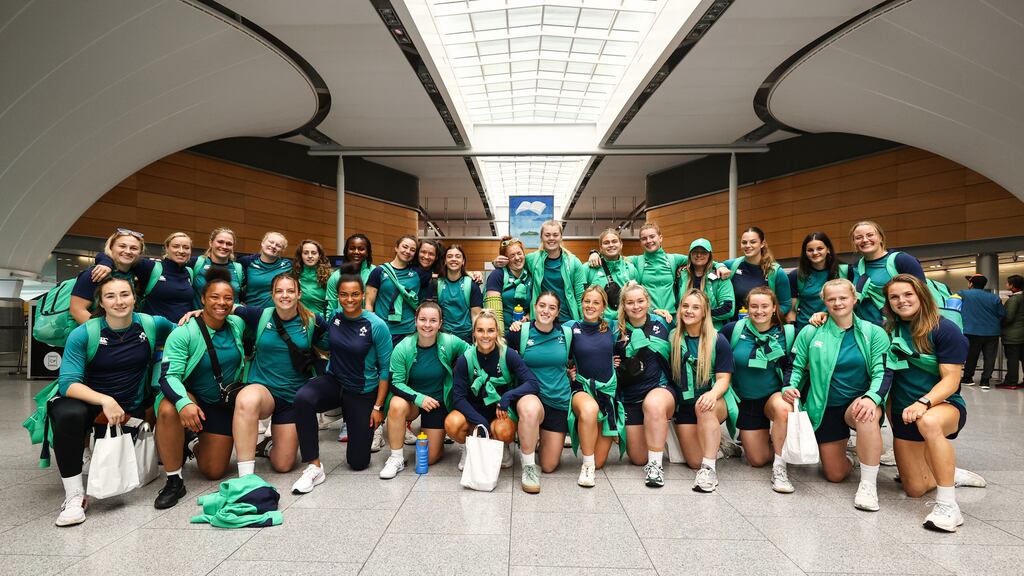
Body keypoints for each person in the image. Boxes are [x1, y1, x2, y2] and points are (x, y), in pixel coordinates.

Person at [49, 277, 175, 526]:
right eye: (111, 296)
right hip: (91, 400)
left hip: (132, 404)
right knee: (67, 414)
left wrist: (195, 314)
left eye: (125, 294)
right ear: (101, 302)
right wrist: (105, 401)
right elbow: (68, 383)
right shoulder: (84, 333)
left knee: (118, 473)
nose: (119, 301)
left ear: (134, 298)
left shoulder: (151, 324)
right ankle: (75, 496)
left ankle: (93, 451)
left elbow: (184, 329)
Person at [883, 274, 985, 532]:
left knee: (928, 422)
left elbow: (951, 380)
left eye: (907, 294)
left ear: (920, 295)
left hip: (942, 407)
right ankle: (950, 472)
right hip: (904, 413)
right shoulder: (887, 330)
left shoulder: (943, 329)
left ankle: (949, 506)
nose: (901, 300)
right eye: (894, 296)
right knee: (914, 489)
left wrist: (923, 403)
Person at [782, 279, 891, 512]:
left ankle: (868, 485)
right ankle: (851, 457)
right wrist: (788, 387)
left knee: (866, 415)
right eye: (831, 299)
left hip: (859, 403)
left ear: (855, 299)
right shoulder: (812, 331)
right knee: (834, 474)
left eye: (843, 297)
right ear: (824, 302)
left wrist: (872, 397)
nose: (838, 302)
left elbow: (883, 371)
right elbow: (796, 365)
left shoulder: (875, 333)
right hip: (826, 406)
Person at [290, 271, 391, 493]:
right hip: (335, 382)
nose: (350, 299)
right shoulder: (335, 317)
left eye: (355, 294)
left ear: (363, 294)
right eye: (344, 295)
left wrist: (377, 407)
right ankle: (314, 466)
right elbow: (322, 338)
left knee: (357, 463)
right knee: (303, 398)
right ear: (338, 296)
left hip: (362, 391)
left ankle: (367, 428)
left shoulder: (377, 325)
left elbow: (385, 370)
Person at [155, 268, 246, 509]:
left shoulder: (236, 324)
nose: (222, 302)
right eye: (214, 297)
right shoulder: (184, 332)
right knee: (168, 409)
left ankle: (192, 441)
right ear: (203, 299)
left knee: (214, 471)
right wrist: (183, 402)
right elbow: (168, 377)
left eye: (227, 298)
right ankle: (174, 480)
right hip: (189, 396)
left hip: (220, 402)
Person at [231, 274, 328, 477]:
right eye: (279, 291)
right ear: (272, 295)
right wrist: (197, 312)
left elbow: (335, 342)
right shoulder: (260, 315)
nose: (285, 295)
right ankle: (246, 476)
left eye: (290, 291)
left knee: (283, 465)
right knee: (246, 400)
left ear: (299, 294)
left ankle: (266, 446)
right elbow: (227, 308)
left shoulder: (312, 321)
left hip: (293, 397)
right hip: (263, 390)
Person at [445, 310, 544, 493]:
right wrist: (479, 422)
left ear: (497, 332)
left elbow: (532, 383)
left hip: (500, 411)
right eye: (480, 330)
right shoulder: (465, 359)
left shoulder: (507, 355)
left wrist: (507, 397)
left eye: (490, 330)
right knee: (452, 422)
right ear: (474, 333)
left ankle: (502, 445)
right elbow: (458, 398)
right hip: (473, 411)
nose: (485, 335)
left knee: (503, 430)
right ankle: (469, 446)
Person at [380, 301, 470, 478]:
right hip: (412, 401)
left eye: (433, 320)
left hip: (438, 403)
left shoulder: (450, 341)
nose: (427, 325)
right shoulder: (403, 347)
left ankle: (437, 438)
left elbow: (474, 354)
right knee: (396, 404)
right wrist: (418, 398)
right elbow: (395, 383)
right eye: (423, 319)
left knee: (430, 458)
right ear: (415, 321)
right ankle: (396, 457)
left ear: (440, 324)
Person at [720, 287, 795, 493]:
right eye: (754, 306)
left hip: (773, 395)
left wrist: (789, 386)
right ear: (747, 307)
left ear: (773, 308)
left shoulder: (787, 332)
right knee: (757, 460)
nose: (759, 311)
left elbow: (793, 364)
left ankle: (780, 468)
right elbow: (716, 354)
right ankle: (774, 442)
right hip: (746, 400)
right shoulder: (733, 330)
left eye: (764, 306)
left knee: (783, 408)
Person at [670, 289, 735, 493]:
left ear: (705, 312)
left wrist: (712, 394)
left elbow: (724, 379)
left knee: (704, 408)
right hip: (686, 404)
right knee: (693, 461)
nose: (689, 311)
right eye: (685, 306)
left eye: (696, 307)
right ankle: (721, 445)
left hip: (715, 401)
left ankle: (709, 469)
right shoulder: (673, 337)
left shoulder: (717, 339)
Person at [615, 281, 675, 487]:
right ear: (623, 305)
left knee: (654, 405)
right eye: (630, 302)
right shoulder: (617, 330)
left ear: (648, 301)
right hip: (632, 396)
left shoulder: (663, 322)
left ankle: (656, 466)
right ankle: (657, 439)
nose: (636, 306)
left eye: (640, 301)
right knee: (638, 458)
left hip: (660, 388)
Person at [507, 293, 572, 477]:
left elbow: (577, 358)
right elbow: (500, 355)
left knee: (549, 465)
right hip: (530, 395)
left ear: (558, 312)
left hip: (557, 400)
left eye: (552, 307)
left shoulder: (566, 334)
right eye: (542, 305)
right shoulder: (519, 331)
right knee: (530, 410)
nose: (546, 311)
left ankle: (534, 436)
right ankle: (528, 466)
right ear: (534, 307)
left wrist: (571, 372)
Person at [566, 285, 625, 487]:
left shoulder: (614, 327)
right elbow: (551, 342)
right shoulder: (571, 327)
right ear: (581, 303)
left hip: (606, 392)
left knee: (601, 462)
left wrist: (662, 313)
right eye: (587, 301)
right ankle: (586, 465)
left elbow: (640, 317)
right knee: (589, 410)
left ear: (603, 307)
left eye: (596, 302)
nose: (590, 306)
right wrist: (567, 370)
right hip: (582, 388)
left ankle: (593, 460)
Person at [92, 231, 196, 323]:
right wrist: (105, 263)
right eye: (176, 246)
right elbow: (116, 255)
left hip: (183, 333)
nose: (181, 251)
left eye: (186, 247)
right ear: (166, 248)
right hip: (156, 334)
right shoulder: (151, 267)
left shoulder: (190, 272)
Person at [591, 222, 686, 315]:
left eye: (652, 236)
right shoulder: (635, 261)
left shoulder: (674, 259)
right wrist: (595, 253)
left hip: (672, 316)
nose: (648, 241)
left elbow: (696, 259)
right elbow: (613, 257)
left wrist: (684, 267)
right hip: (649, 316)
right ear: (640, 242)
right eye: (644, 239)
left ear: (660, 238)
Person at [848, 220, 926, 325]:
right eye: (858, 237)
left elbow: (923, 295)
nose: (865, 240)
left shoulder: (902, 260)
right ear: (854, 242)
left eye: (870, 235)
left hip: (901, 326)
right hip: (868, 329)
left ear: (880, 237)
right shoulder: (854, 268)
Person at [70, 229, 145, 324]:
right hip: (92, 334)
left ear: (140, 253)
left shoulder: (134, 275)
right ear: (111, 247)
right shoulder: (97, 273)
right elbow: (77, 310)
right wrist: (103, 334)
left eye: (134, 248)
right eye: (122, 246)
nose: (127, 251)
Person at [718, 227, 791, 321]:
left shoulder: (776, 272)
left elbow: (785, 304)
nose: (748, 245)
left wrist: (765, 318)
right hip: (734, 326)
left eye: (753, 242)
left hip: (763, 327)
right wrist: (719, 266)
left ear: (762, 244)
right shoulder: (731, 265)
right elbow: (711, 264)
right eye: (744, 242)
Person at [524, 221, 586, 324]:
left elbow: (580, 297)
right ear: (541, 237)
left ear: (561, 237)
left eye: (555, 235)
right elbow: (514, 265)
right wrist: (498, 263)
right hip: (541, 320)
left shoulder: (574, 262)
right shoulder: (532, 260)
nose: (551, 238)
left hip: (567, 320)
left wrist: (584, 323)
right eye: (547, 235)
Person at [365, 235, 422, 347]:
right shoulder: (379, 271)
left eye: (412, 250)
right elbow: (368, 303)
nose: (408, 251)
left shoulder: (417, 274)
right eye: (405, 247)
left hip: (409, 331)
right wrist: (372, 327)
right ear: (396, 248)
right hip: (384, 329)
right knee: (384, 363)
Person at [788, 232, 849, 333]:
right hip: (806, 328)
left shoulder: (845, 271)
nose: (815, 253)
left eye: (820, 248)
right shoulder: (796, 275)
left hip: (837, 327)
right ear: (805, 253)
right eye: (810, 250)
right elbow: (792, 310)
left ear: (828, 249)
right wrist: (792, 330)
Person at [958, 274, 1005, 389]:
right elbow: (1002, 314)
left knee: (972, 356)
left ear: (971, 284)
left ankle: (968, 378)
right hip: (992, 332)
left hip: (972, 331)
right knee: (990, 357)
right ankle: (985, 381)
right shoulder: (994, 297)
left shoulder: (962, 294)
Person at [675, 238, 734, 329]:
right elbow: (676, 303)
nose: (699, 255)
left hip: (711, 330)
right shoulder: (681, 275)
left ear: (709, 255)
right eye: (695, 252)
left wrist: (698, 316)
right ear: (690, 255)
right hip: (685, 330)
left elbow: (728, 309)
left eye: (703, 252)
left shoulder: (720, 276)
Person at [584, 228, 638, 325]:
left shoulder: (630, 269)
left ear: (621, 244)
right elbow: (579, 297)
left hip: (624, 323)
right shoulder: (589, 268)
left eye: (614, 241)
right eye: (606, 242)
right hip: (597, 324)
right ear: (600, 247)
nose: (611, 245)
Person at [431, 244, 482, 343]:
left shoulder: (472, 285)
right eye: (449, 256)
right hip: (443, 337)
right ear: (445, 261)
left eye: (458, 256)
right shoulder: (437, 284)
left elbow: (476, 316)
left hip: (465, 337)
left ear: (463, 261)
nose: (453, 259)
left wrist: (477, 341)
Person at [485, 236, 531, 330]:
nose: (517, 258)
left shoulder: (530, 275)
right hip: (503, 331)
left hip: (526, 331)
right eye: (512, 255)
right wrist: (500, 337)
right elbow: (493, 311)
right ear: (505, 259)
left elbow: (536, 304)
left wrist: (526, 318)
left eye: (519, 253)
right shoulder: (497, 275)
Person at [192, 228, 245, 307]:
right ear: (211, 242)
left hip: (231, 318)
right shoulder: (196, 263)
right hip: (200, 317)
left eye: (229, 244)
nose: (224, 246)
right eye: (220, 242)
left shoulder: (239, 269)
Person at [239, 231, 292, 309]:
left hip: (277, 314)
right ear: (263, 243)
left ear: (282, 250)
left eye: (278, 245)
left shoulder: (288, 265)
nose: (273, 246)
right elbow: (235, 284)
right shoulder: (247, 262)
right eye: (271, 242)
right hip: (251, 312)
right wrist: (239, 302)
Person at [326, 233, 376, 313]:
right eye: (352, 248)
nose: (356, 252)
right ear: (346, 251)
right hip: (343, 323)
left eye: (361, 249)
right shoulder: (335, 277)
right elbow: (331, 309)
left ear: (367, 252)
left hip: (369, 322)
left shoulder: (375, 272)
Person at [291, 239, 332, 317]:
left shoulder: (328, 275)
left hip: (320, 321)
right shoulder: (293, 274)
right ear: (301, 255)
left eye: (313, 253)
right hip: (298, 319)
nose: (310, 256)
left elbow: (333, 304)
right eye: (306, 253)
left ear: (319, 255)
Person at [1002, 275, 1024, 387]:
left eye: (1008, 283)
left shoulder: (1014, 299)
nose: (1006, 284)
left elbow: (1009, 317)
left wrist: (1001, 325)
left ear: (1013, 286)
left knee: (1012, 360)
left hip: (1013, 336)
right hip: (1021, 335)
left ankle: (1011, 382)